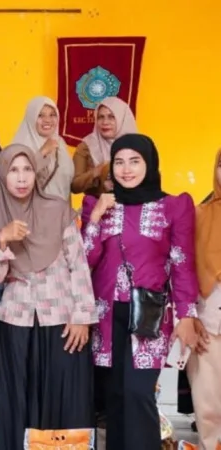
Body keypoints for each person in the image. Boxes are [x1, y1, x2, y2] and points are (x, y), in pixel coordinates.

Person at [82, 134, 198, 450]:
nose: (126, 169)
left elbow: (182, 262)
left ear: (149, 164)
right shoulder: (96, 205)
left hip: (149, 313)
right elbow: (84, 261)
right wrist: (95, 219)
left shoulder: (174, 206)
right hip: (106, 316)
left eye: (135, 161)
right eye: (119, 162)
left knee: (138, 393)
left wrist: (186, 314)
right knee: (115, 396)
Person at [0, 144, 97, 450]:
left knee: (63, 398)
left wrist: (82, 316)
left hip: (63, 320)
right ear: (1, 177)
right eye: (13, 171)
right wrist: (2, 239)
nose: (21, 178)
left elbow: (78, 264)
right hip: (15, 320)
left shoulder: (58, 210)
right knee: (16, 400)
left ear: (36, 174)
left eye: (27, 169)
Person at [188, 147, 221, 449]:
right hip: (208, 320)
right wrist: (189, 315)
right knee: (208, 407)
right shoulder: (199, 214)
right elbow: (184, 267)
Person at [10, 96, 73, 203]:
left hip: (61, 210)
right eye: (40, 115)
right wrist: (42, 152)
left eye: (52, 115)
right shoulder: (19, 146)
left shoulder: (60, 143)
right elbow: (17, 180)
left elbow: (65, 184)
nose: (47, 120)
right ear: (31, 117)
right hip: (32, 210)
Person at [71, 97, 137, 198]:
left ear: (122, 118)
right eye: (100, 117)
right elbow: (74, 186)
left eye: (111, 117)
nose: (105, 122)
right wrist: (96, 172)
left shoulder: (137, 145)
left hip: (133, 203)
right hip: (96, 205)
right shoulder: (86, 146)